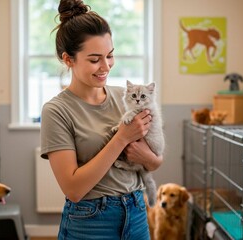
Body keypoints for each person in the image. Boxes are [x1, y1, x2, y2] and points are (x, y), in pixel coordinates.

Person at [40, 0, 163, 239]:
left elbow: (155, 163)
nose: (106, 66)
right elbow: (74, 189)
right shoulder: (56, 111)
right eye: (95, 59)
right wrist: (122, 138)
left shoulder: (125, 98)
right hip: (90, 221)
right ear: (68, 60)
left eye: (110, 55)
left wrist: (145, 156)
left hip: (137, 212)